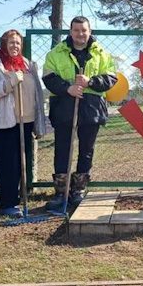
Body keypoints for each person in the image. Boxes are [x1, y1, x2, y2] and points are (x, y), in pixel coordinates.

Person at [42, 16, 117, 212]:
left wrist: (90, 82)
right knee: (63, 150)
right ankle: (61, 192)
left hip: (91, 108)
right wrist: (68, 88)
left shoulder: (101, 54)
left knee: (86, 150)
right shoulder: (56, 53)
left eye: (84, 30)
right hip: (64, 107)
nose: (80, 34)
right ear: (70, 32)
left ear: (89, 31)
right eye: (76, 30)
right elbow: (48, 77)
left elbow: (111, 78)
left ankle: (79, 190)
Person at [0, 29, 46, 217]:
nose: (15, 46)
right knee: (7, 163)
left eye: (18, 43)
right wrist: (10, 82)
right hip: (2, 121)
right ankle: (7, 203)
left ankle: (17, 198)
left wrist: (39, 121)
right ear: (3, 43)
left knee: (21, 162)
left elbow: (37, 93)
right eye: (11, 42)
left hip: (26, 121)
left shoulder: (28, 64)